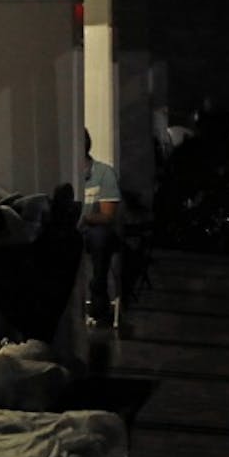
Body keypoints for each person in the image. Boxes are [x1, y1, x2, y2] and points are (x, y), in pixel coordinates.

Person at [80, 130, 122, 323]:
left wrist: (85, 218)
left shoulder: (103, 173)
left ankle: (98, 291)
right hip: (71, 229)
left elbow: (107, 215)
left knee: (100, 236)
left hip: (92, 229)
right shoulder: (62, 170)